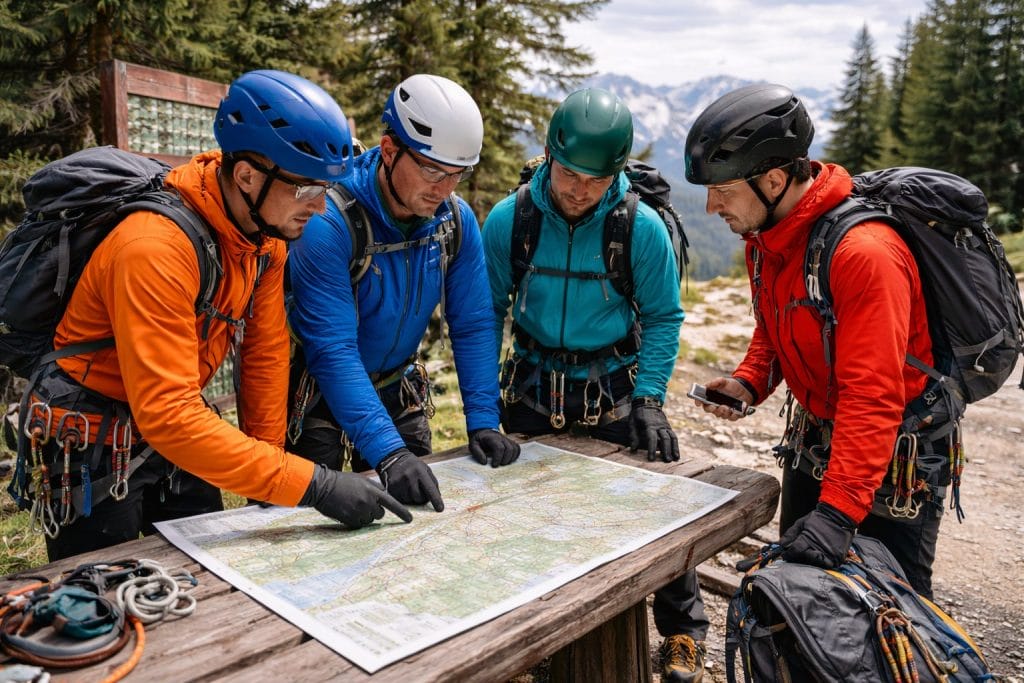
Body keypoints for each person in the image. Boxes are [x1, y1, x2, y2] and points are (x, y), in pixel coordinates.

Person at [27, 70, 412, 561]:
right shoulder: (154, 248)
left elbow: (265, 353)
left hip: (172, 424)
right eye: (306, 190)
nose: (318, 209)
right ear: (248, 176)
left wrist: (271, 476)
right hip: (92, 437)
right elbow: (167, 412)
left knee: (210, 568)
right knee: (106, 592)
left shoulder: (265, 237)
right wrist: (312, 484)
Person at [684, 83, 944, 599]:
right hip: (816, 444)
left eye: (724, 190)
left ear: (775, 180)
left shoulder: (864, 254)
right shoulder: (765, 240)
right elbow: (777, 323)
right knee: (798, 606)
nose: (712, 207)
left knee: (893, 616)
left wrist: (839, 511)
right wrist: (750, 381)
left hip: (894, 461)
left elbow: (873, 395)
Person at [482, 88, 707, 682]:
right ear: (549, 155)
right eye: (569, 173)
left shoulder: (640, 229)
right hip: (533, 389)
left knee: (651, 506)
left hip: (613, 388)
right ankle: (537, 639)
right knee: (525, 515)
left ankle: (682, 631)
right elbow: (485, 315)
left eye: (596, 178)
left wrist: (651, 399)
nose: (580, 189)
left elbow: (663, 317)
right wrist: (481, 411)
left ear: (617, 172)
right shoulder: (512, 222)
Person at [286, 74, 520, 512]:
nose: (444, 189)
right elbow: (333, 350)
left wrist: (484, 420)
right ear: (389, 150)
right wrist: (389, 453)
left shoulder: (454, 220)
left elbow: (471, 324)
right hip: (318, 394)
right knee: (313, 536)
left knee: (419, 527)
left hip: (398, 389)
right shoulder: (328, 223)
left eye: (457, 175)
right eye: (432, 170)